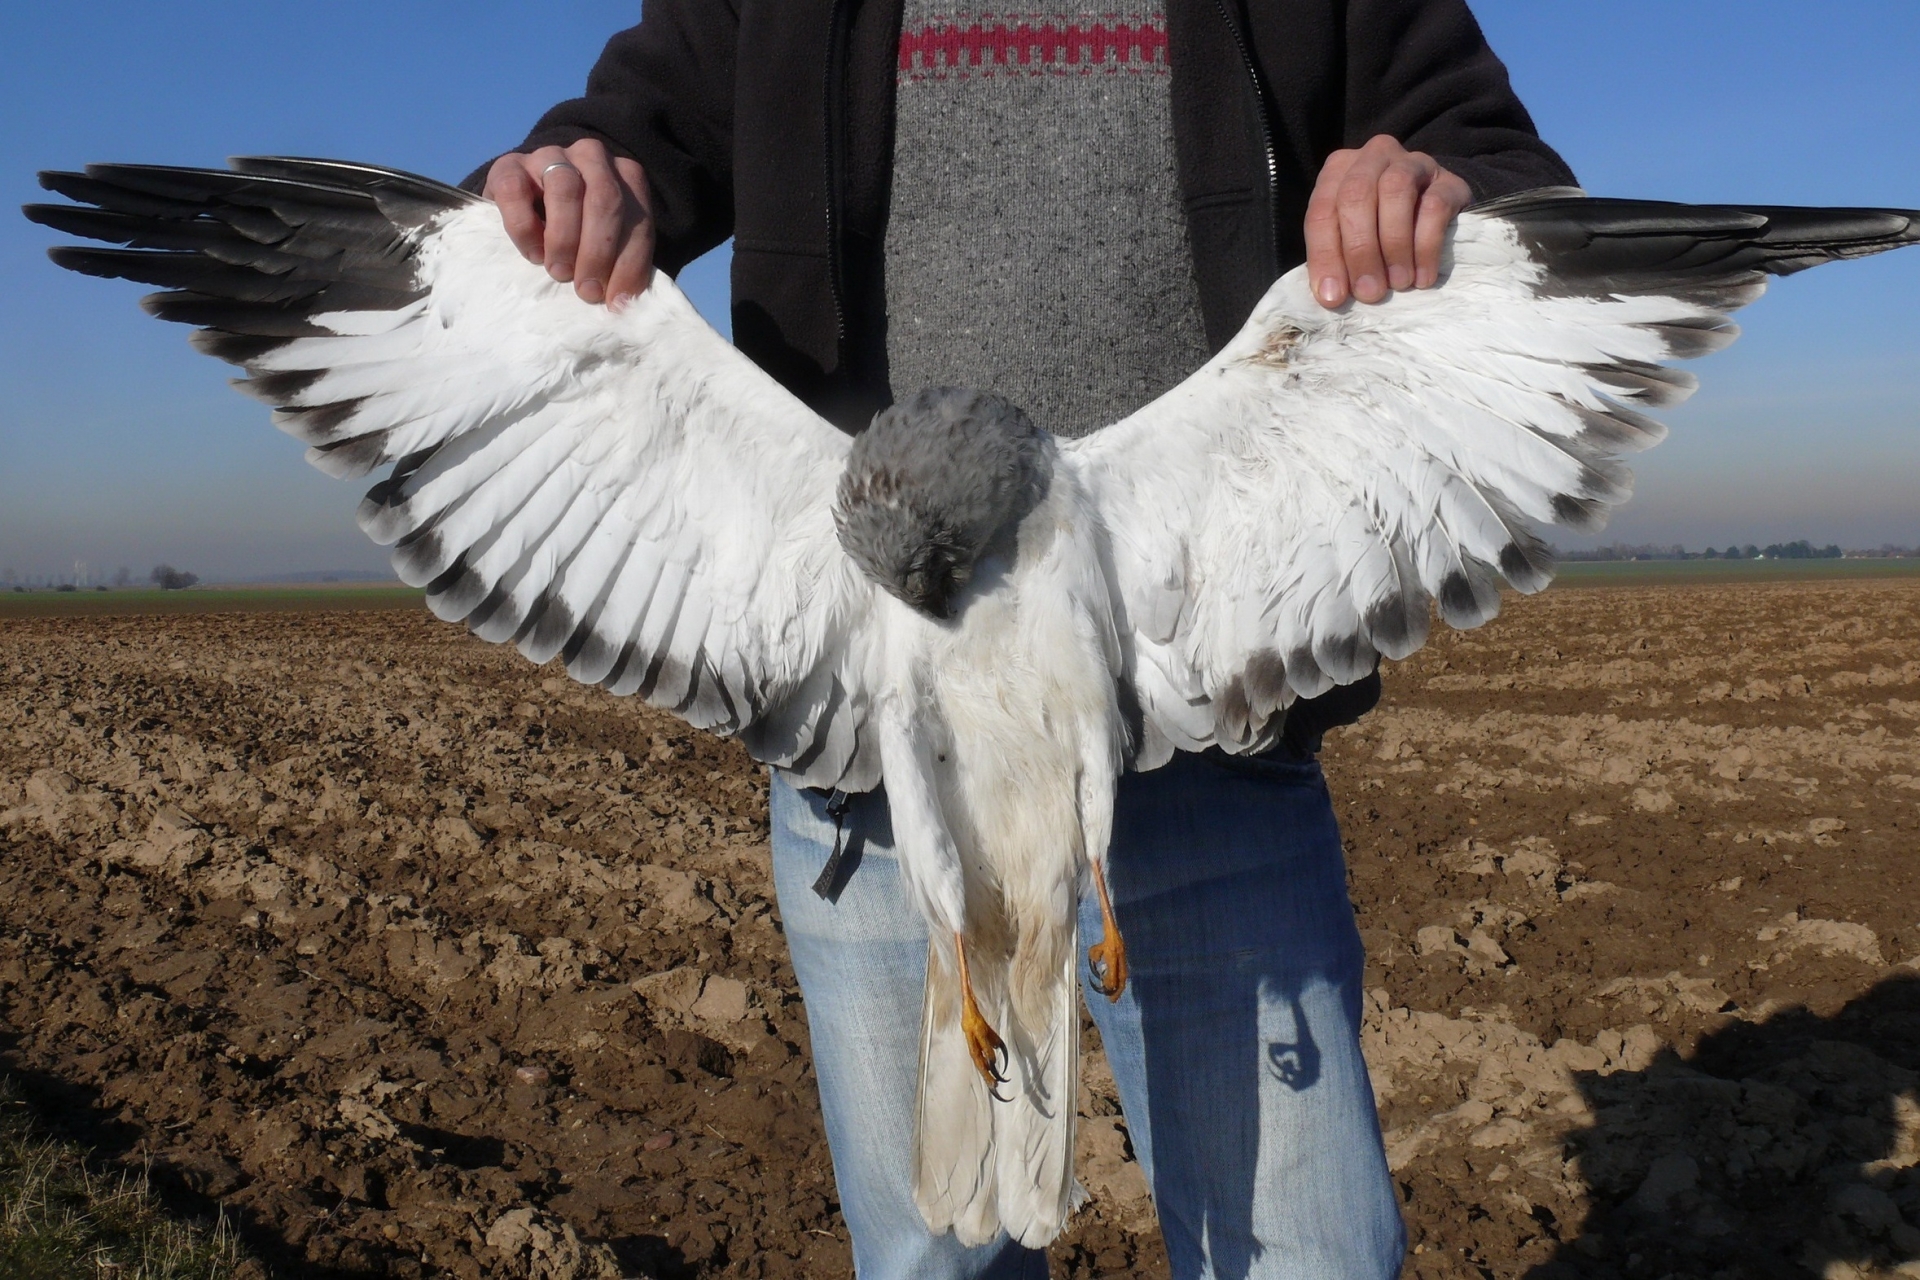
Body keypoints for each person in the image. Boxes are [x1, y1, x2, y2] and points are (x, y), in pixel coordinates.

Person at [471, 4, 1573, 1276]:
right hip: (885, 765)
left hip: (1209, 726)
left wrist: (1438, 186)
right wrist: (572, 182)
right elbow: (638, 131)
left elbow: (1495, 164)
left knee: (1303, 1255)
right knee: (936, 1259)